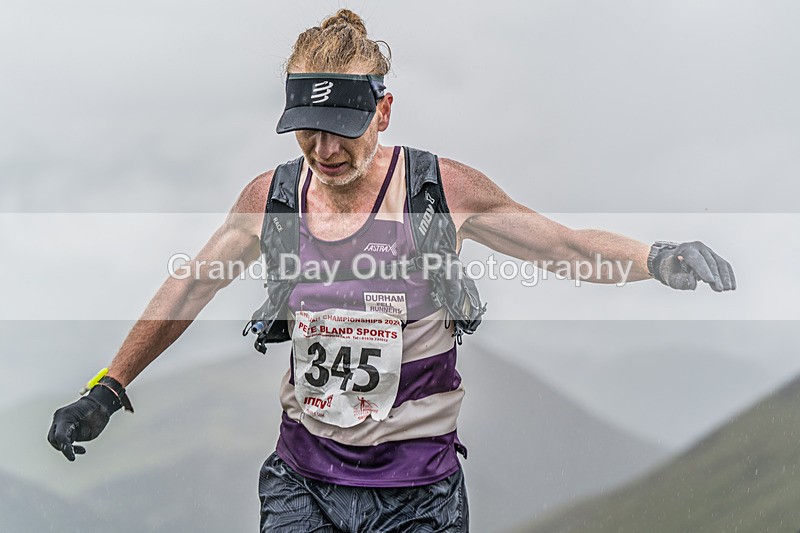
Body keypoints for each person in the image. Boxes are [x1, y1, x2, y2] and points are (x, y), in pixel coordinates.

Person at [47, 9, 735, 532]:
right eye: (306, 129)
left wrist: (658, 258)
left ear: (384, 109)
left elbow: (566, 248)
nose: (323, 148)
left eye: (342, 126)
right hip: (300, 482)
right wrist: (107, 387)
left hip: (419, 495)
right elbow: (192, 283)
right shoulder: (274, 199)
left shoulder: (442, 192)